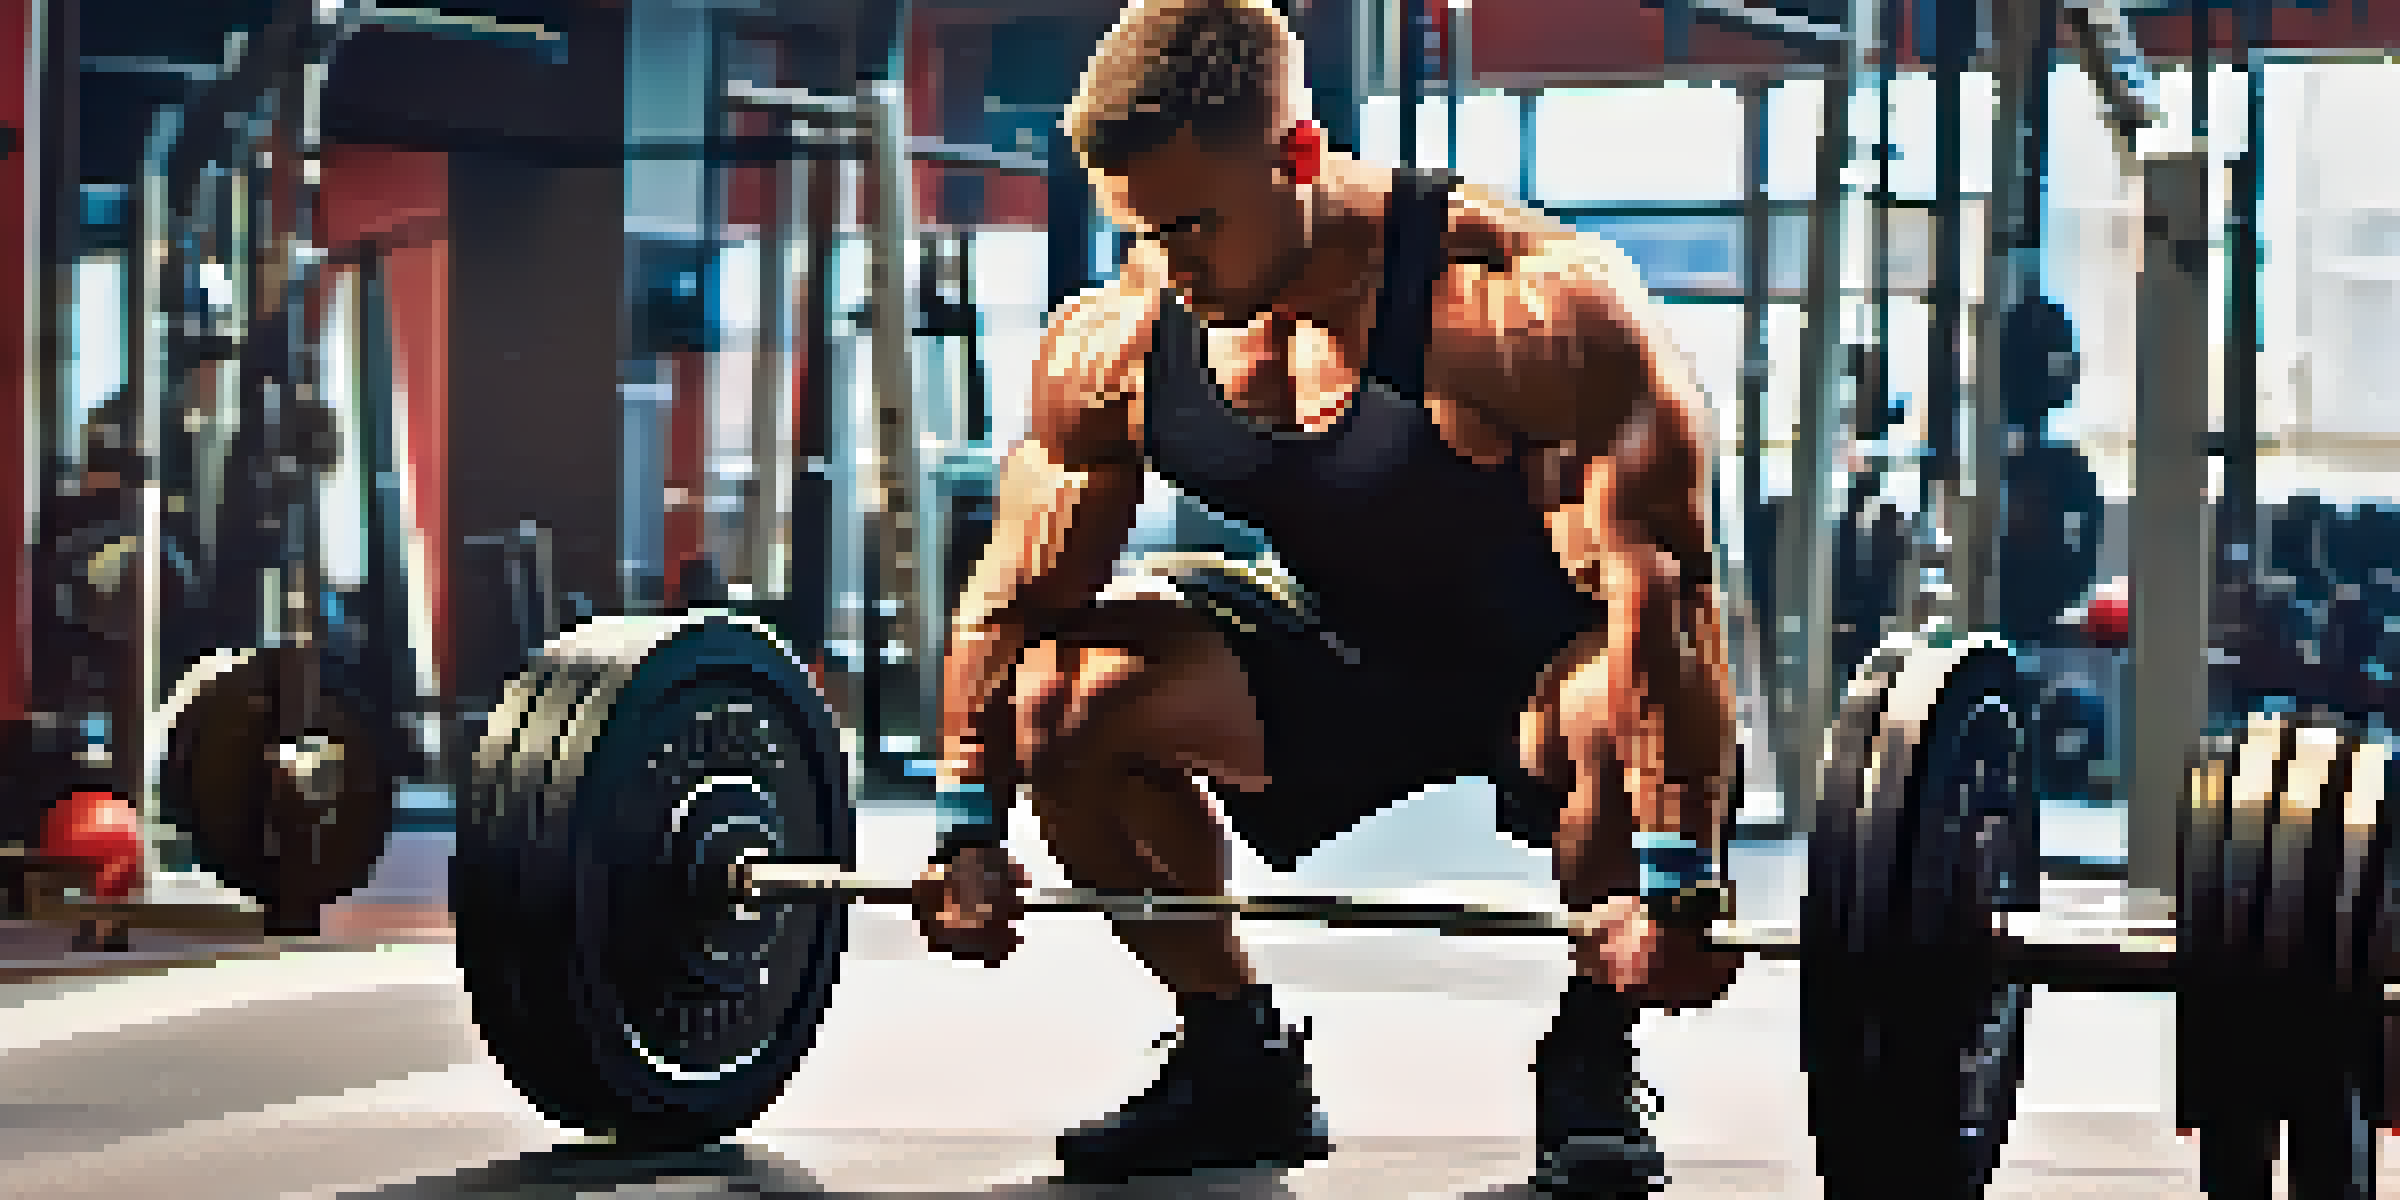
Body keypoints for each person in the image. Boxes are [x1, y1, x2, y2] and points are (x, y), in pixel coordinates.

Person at [911, 1, 1742, 1193]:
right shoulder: (1126, 336)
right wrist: (964, 825)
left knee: (1614, 698)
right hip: (1340, 648)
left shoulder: (1520, 308)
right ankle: (1233, 1059)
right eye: (1144, 230)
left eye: (1195, 225)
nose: (1171, 264)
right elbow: (1016, 594)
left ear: (1296, 158)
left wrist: (1679, 873)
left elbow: (1656, 587)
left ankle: (1594, 1056)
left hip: (1542, 668)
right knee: (1066, 700)